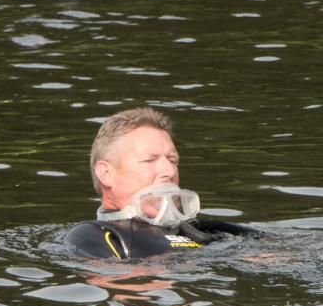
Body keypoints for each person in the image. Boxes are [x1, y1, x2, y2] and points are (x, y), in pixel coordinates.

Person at [65, 106, 258, 260]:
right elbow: (116, 287)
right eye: (150, 160)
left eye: (173, 160)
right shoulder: (95, 235)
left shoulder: (205, 229)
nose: (170, 171)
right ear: (106, 174)